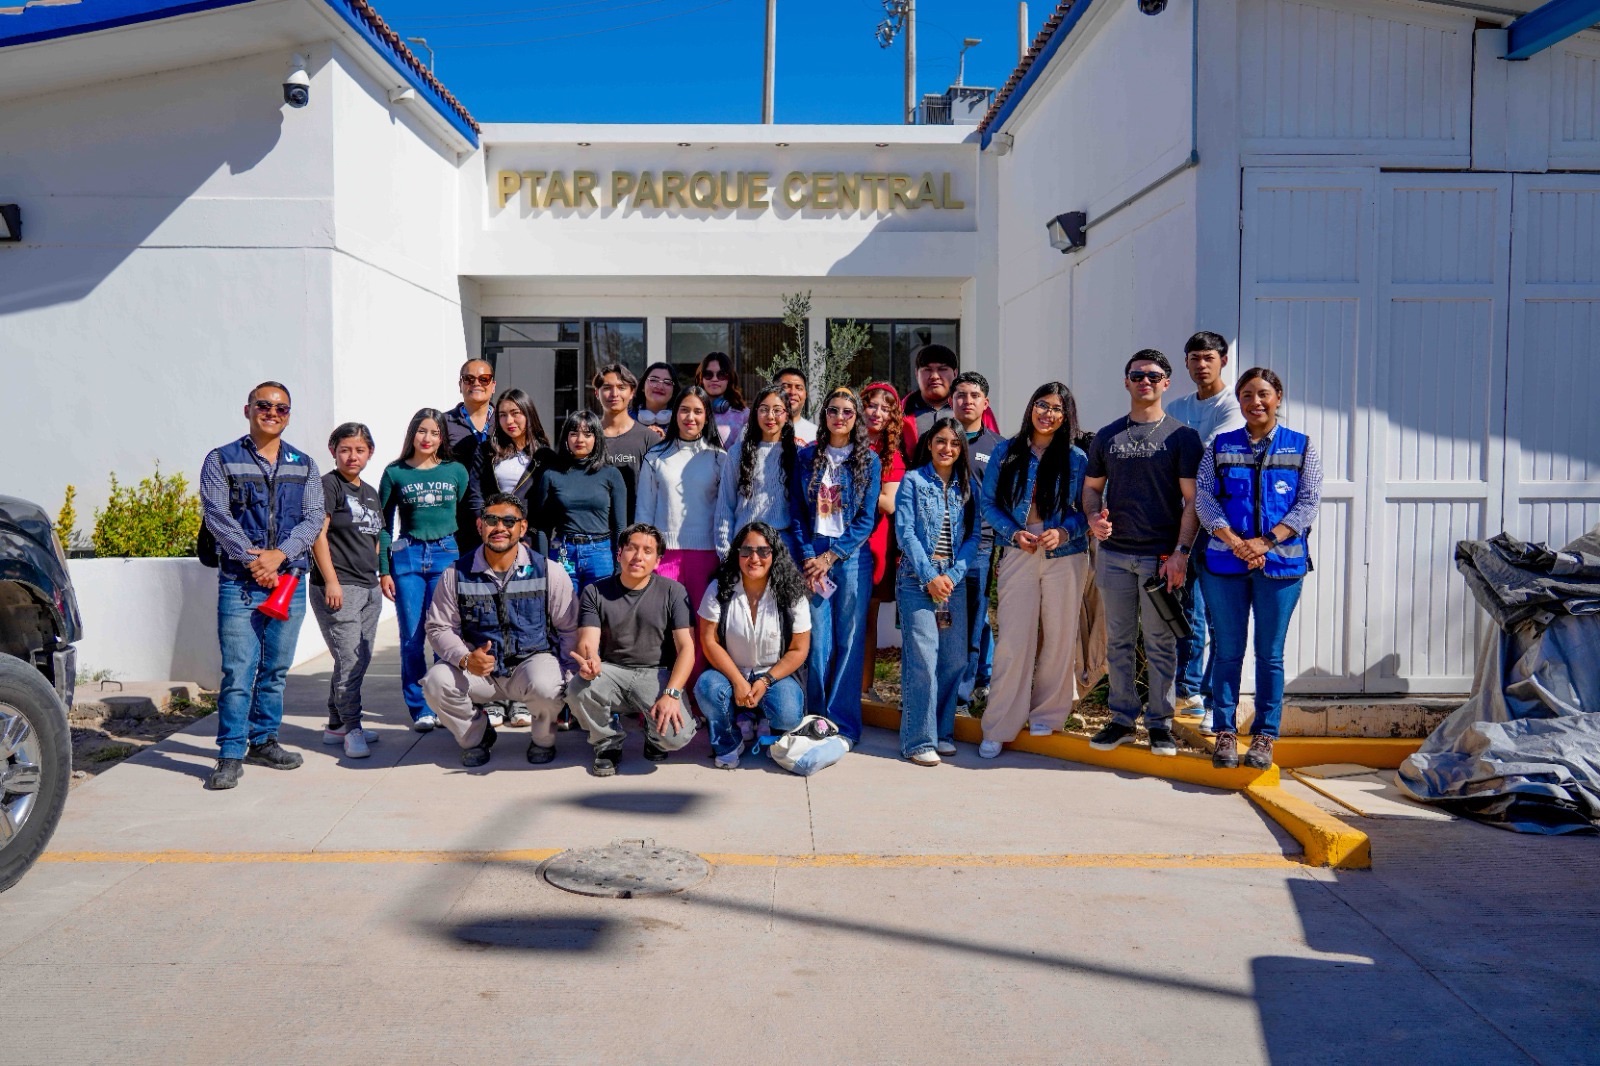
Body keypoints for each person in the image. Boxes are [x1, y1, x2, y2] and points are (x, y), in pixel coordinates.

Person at [198, 381, 325, 790]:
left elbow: (312, 519)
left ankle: (264, 740)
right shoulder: (221, 459)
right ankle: (230, 753)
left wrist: (279, 557)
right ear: (248, 409)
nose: (273, 413)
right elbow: (217, 515)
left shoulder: (304, 464)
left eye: (282, 408)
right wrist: (255, 560)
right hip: (240, 583)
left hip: (288, 581)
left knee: (275, 670)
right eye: (265, 405)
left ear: (289, 415)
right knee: (238, 671)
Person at [1195, 368, 1322, 770]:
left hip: (1281, 567)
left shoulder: (1302, 447)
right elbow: (1204, 499)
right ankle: (1225, 732)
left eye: (1263, 394)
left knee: (1270, 655)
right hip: (1224, 564)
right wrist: (1237, 543)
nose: (1256, 402)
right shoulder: (1219, 444)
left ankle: (1265, 736)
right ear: (1239, 400)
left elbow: (1308, 503)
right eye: (1247, 395)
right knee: (1228, 651)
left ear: (1278, 397)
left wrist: (1265, 542)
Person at [1082, 350, 1203, 758]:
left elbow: (1192, 501)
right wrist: (1094, 517)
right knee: (1117, 640)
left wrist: (1181, 553)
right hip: (1114, 555)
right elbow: (1092, 487)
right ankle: (1120, 719)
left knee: (1159, 643)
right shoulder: (1108, 435)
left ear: (1166, 383)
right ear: (1127, 382)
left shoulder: (1182, 437)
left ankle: (1160, 724)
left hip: (1159, 559)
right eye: (1136, 375)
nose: (1144, 381)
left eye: (1153, 376)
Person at [422, 493, 578, 767]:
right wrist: (465, 658)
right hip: (479, 671)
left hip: (531, 665)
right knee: (436, 681)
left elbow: (569, 629)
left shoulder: (548, 571)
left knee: (548, 686)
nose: (500, 528)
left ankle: (543, 739)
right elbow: (439, 627)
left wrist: (568, 678)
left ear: (523, 527)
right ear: (479, 526)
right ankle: (477, 736)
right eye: (491, 520)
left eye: (509, 521)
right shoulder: (456, 573)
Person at [977, 383, 1091, 758]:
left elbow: (1086, 509)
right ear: (1031, 407)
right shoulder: (1006, 451)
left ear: (1065, 416)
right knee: (1012, 640)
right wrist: (1014, 532)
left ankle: (1048, 714)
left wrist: (1063, 531)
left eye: (1057, 408)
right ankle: (999, 724)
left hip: (1065, 552)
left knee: (1059, 638)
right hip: (1018, 548)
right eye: (1042, 404)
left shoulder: (1076, 458)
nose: (1048, 413)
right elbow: (988, 503)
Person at [565, 524, 698, 777]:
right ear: (619, 554)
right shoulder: (595, 592)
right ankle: (607, 743)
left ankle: (653, 734)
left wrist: (671, 694)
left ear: (658, 560)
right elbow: (588, 641)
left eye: (647, 551)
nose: (638, 556)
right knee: (577, 689)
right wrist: (590, 660)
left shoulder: (673, 591)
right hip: (611, 671)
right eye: (631, 548)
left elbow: (687, 648)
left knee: (675, 738)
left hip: (656, 674)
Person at [790, 387, 882, 746]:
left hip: (850, 556)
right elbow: (797, 510)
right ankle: (816, 717)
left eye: (847, 411)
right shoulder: (806, 457)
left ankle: (843, 723)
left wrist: (833, 556)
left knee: (850, 639)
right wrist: (810, 556)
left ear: (856, 417)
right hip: (813, 553)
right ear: (824, 414)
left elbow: (865, 519)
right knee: (818, 640)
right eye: (833, 410)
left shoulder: (868, 461)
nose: (839, 417)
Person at [1164, 331, 1246, 734]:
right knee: (1185, 609)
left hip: (1218, 521)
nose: (1201, 364)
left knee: (1217, 615)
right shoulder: (1176, 406)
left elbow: (1206, 457)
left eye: (1208, 357)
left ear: (1223, 360)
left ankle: (1213, 696)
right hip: (1180, 521)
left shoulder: (1234, 406)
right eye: (1194, 357)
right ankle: (1189, 689)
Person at [378, 408, 471, 731]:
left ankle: (443, 702)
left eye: (434, 432)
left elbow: (462, 514)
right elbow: (384, 526)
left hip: (446, 554)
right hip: (408, 557)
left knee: (445, 635)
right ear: (412, 434)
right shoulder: (395, 472)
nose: (427, 438)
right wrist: (384, 570)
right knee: (411, 638)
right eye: (422, 431)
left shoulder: (456, 471)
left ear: (442, 437)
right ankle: (419, 708)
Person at [896, 419, 981, 765]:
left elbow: (974, 537)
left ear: (962, 449)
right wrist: (930, 575)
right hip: (918, 580)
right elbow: (906, 533)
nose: (947, 448)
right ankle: (918, 740)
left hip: (953, 583)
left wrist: (954, 574)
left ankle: (942, 732)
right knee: (923, 660)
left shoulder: (967, 486)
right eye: (941, 441)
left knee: (953, 660)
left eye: (955, 444)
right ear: (929, 444)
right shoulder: (913, 481)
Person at [695, 522, 812, 769]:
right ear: (737, 553)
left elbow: (799, 649)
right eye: (746, 551)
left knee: (789, 711)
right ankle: (728, 741)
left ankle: (772, 732)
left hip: (774, 674)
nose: (754, 558)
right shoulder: (719, 587)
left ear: (774, 554)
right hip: (730, 671)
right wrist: (738, 681)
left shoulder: (791, 591)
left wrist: (765, 680)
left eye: (763, 551)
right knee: (707, 688)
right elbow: (709, 641)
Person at [636, 385, 726, 696]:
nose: (690, 417)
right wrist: (645, 553)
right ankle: (660, 696)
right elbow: (644, 511)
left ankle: (697, 700)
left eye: (698, 411)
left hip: (705, 555)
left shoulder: (719, 459)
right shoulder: (656, 456)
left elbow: (724, 510)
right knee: (665, 629)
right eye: (684, 410)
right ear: (675, 414)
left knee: (703, 631)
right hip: (664, 555)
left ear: (706, 416)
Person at [476, 387, 553, 729]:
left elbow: (550, 501)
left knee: (528, 616)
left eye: (516, 413)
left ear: (528, 414)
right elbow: (476, 496)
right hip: (494, 541)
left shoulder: (544, 455)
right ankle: (495, 700)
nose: (510, 420)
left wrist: (527, 528)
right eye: (503, 414)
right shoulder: (488, 452)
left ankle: (522, 700)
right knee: (494, 615)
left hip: (530, 542)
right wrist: (493, 526)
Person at [308, 422, 384, 759]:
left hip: (368, 587)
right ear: (333, 451)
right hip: (339, 587)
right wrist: (332, 581)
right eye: (345, 450)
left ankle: (336, 724)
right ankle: (352, 728)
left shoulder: (369, 491)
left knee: (356, 657)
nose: (352, 456)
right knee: (351, 659)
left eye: (359, 450)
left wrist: (382, 574)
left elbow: (375, 537)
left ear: (369, 453)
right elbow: (317, 535)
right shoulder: (328, 486)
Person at [530, 410, 627, 596]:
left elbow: (620, 526)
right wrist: (543, 565)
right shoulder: (551, 474)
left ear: (597, 438)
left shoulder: (611, 474)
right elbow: (542, 527)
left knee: (598, 617)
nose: (579, 439)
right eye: (573, 433)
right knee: (565, 618)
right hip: (564, 553)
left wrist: (619, 564)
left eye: (587, 434)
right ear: (566, 437)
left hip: (601, 554)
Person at [951, 371, 1003, 708]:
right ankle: (965, 681)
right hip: (942, 545)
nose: (967, 401)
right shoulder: (939, 439)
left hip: (981, 546)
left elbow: (1005, 501)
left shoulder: (998, 447)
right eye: (961, 395)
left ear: (985, 402)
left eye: (974, 395)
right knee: (951, 618)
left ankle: (966, 691)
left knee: (975, 617)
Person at [858, 382, 906, 703]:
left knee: (867, 619)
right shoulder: (839, 443)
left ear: (892, 416)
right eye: (871, 405)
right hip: (835, 539)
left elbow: (889, 502)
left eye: (885, 408)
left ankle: (864, 688)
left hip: (874, 542)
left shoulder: (892, 456)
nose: (876, 413)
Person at [713, 384, 798, 557]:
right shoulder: (737, 453)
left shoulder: (797, 454)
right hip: (745, 546)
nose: (770, 416)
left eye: (777, 410)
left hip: (784, 549)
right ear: (755, 412)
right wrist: (725, 555)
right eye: (764, 409)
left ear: (787, 414)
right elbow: (725, 508)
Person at [901, 343, 999, 454]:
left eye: (942, 369)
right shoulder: (900, 412)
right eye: (927, 370)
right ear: (916, 374)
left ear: (955, 373)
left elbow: (994, 452)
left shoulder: (979, 410)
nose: (934, 376)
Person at [443, 359, 496, 556]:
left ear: (493, 385)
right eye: (469, 378)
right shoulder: (444, 423)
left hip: (500, 519)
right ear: (460, 384)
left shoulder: (506, 421)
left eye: (484, 379)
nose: (476, 384)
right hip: (457, 520)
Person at [593, 362, 655, 521]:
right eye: (607, 388)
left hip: (637, 531)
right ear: (596, 393)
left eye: (621, 387)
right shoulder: (587, 438)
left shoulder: (649, 438)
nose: (614, 394)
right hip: (595, 535)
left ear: (632, 392)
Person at [697, 351, 748, 445]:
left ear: (729, 379)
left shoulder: (744, 415)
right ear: (701, 378)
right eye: (708, 374)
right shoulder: (689, 413)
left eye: (721, 374)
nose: (714, 379)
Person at [773, 365, 818, 444]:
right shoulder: (755, 430)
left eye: (799, 388)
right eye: (786, 387)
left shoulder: (815, 434)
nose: (793, 392)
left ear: (805, 395)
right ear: (772, 391)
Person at [633, 361, 678, 438]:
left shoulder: (681, 421)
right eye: (653, 380)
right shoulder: (626, 418)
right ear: (643, 387)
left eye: (667, 382)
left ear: (674, 391)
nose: (660, 386)